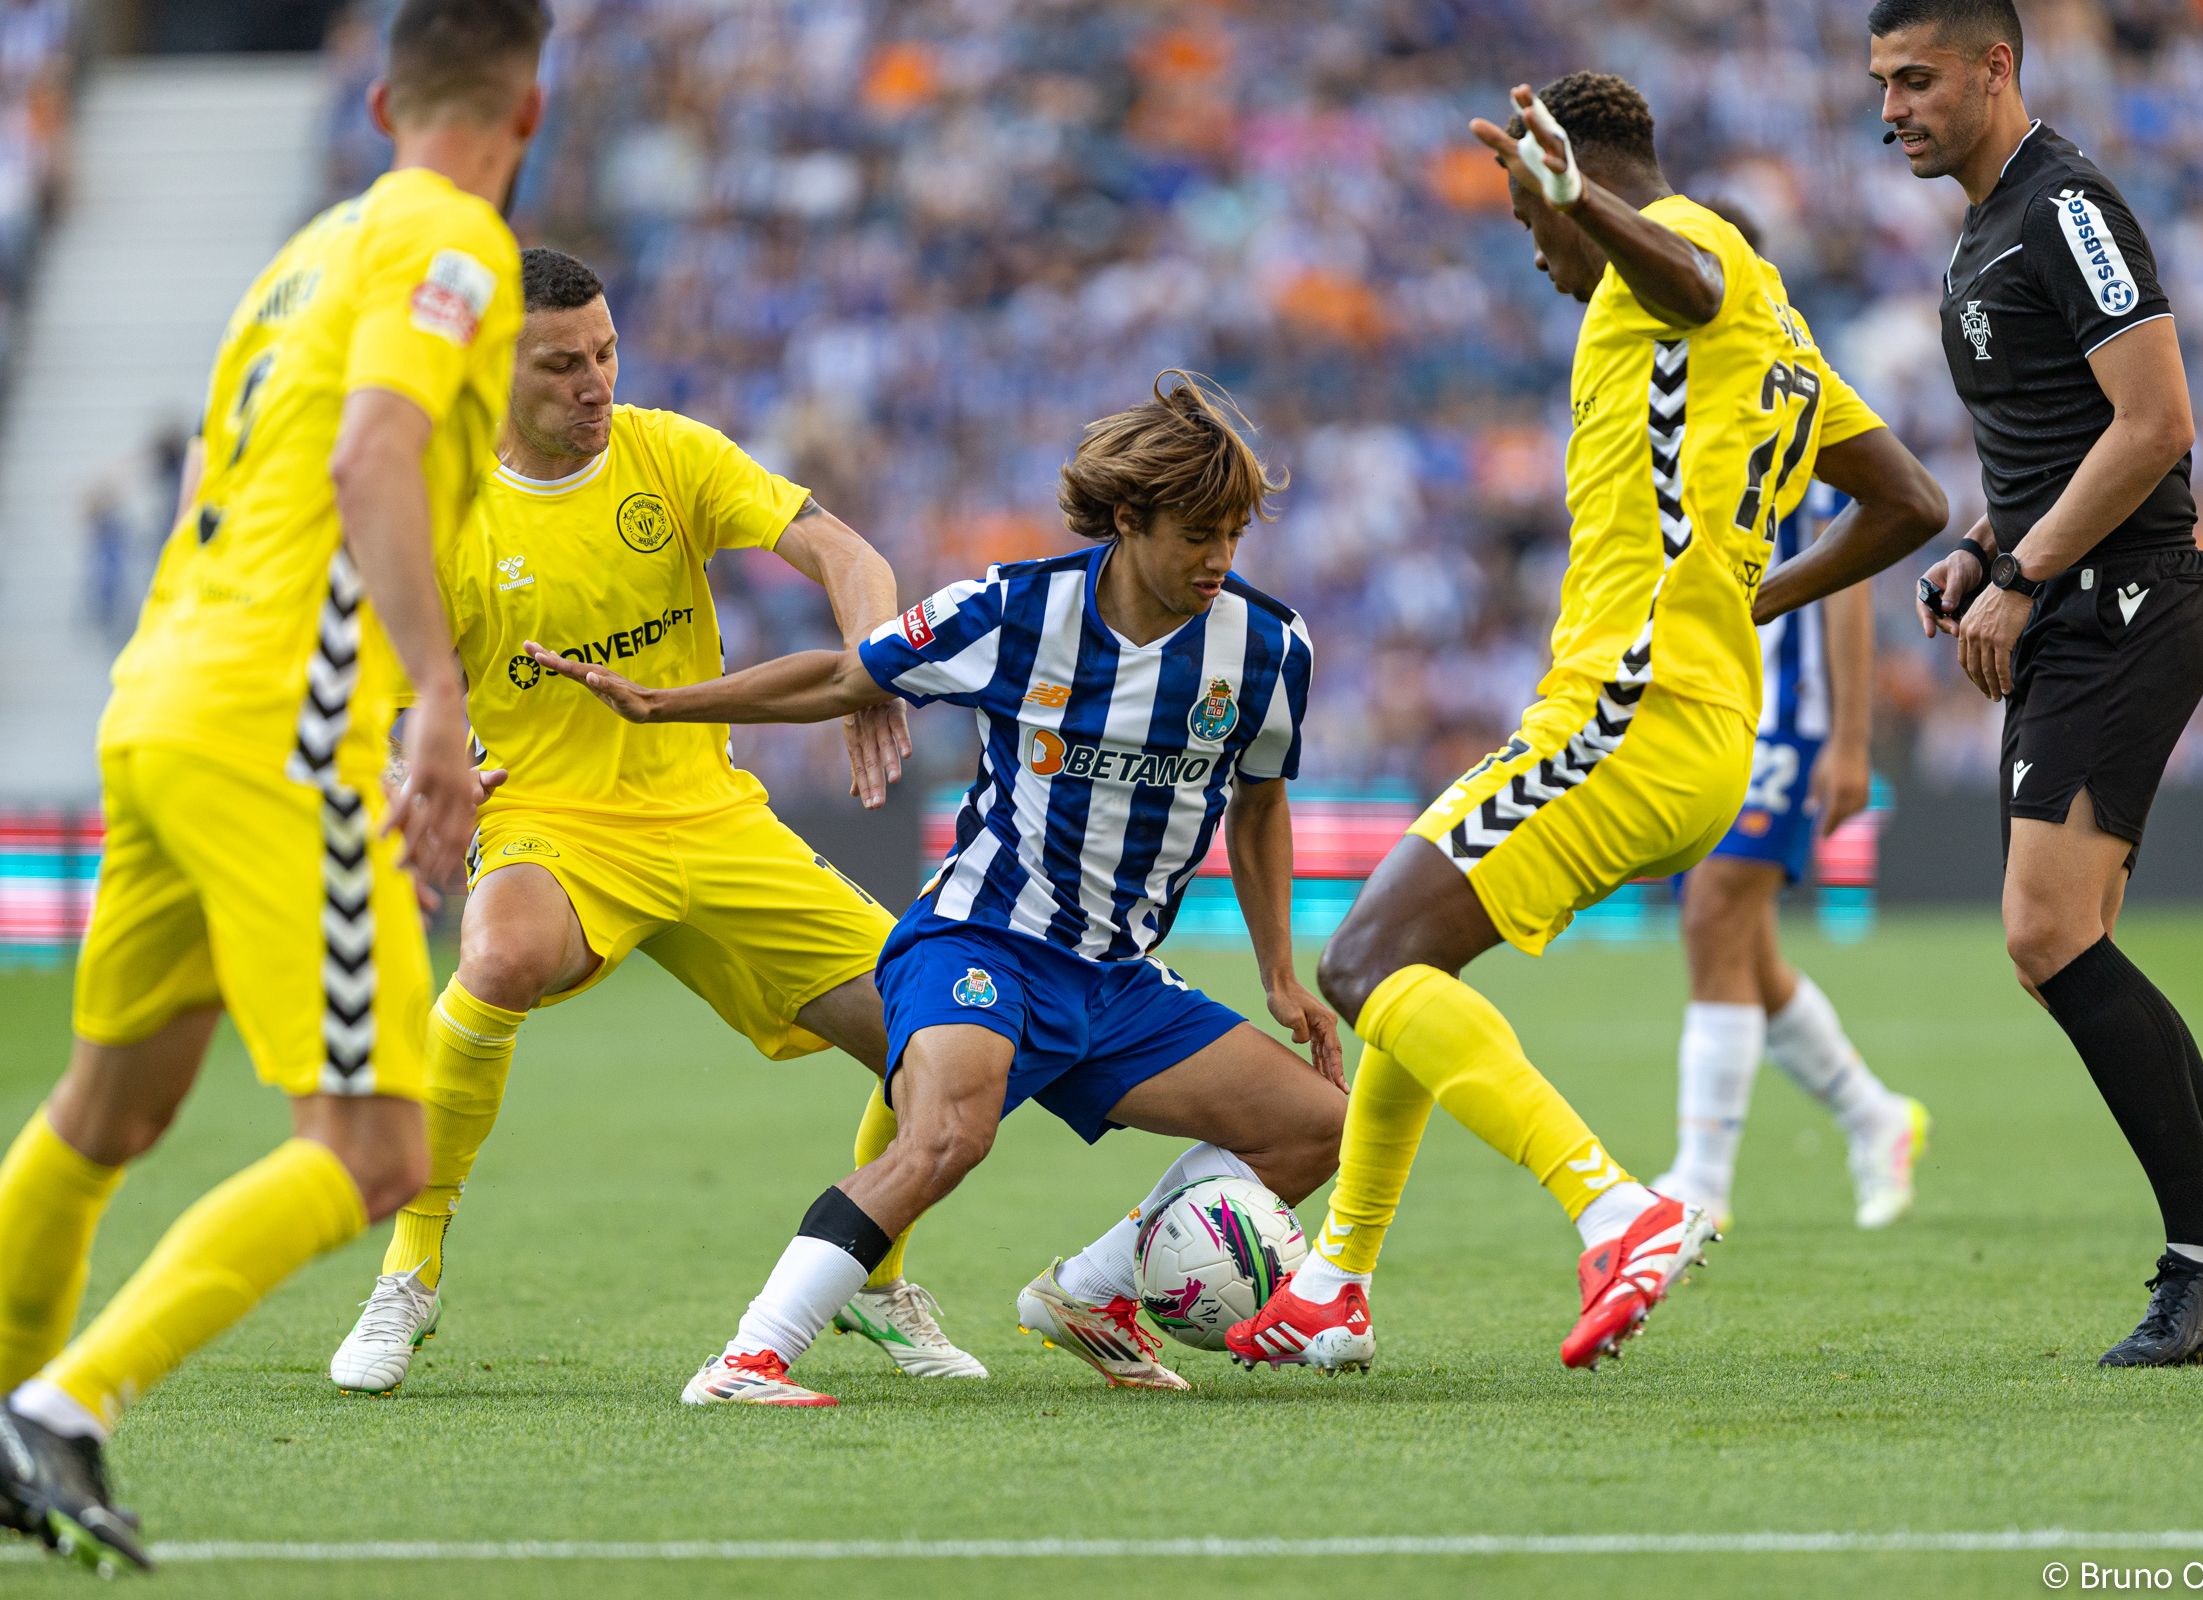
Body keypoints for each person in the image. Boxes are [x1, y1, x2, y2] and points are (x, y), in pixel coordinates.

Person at [1229, 74, 1948, 1375]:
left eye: (1531, 218)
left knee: (1361, 964)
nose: (1539, 247)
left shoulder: (1700, 258)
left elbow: (1690, 278)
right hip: (1686, 724)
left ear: (1588, 183)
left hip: (1631, 710)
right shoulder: (1781, 341)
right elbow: (1909, 501)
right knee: (1405, 961)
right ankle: (1335, 1280)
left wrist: (1591, 210)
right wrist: (1748, 593)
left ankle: (1618, 1209)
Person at [0, 0, 546, 1571]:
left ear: (380, 101)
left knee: (110, 1106)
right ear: (525, 112)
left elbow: (219, 477)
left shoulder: (307, 251)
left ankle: (9, 1413)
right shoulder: (455, 241)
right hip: (278, 731)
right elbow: (371, 457)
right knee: (374, 1149)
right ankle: (68, 1405)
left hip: (163, 696)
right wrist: (434, 695)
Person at [535, 372, 1348, 1403]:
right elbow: (844, 675)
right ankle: (749, 1358)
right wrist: (663, 705)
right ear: (1130, 519)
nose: (1219, 559)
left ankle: (1095, 1293)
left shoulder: (1270, 647)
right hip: (983, 943)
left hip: (1118, 982)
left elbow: (1261, 802)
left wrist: (1281, 975)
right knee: (948, 1136)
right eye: (1197, 533)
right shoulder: (1013, 609)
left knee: (1316, 1124)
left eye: (1234, 532)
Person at [325, 248, 982, 1400]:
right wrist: (408, 772)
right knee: (502, 955)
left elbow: (847, 551)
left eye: (608, 353)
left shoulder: (667, 451)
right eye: (564, 363)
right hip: (552, 818)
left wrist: (876, 661)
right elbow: (375, 691)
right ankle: (409, 1271)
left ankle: (874, 1277)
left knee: (934, 1038)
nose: (596, 383)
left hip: (712, 813)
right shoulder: (442, 508)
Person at [1864, 0, 2203, 1366]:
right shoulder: (1984, 225)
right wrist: (1982, 551)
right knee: (2067, 943)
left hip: (2125, 606)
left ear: (1996, 66)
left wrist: (2026, 571)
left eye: (1918, 77)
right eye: (1881, 81)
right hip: (2076, 600)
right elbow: (2055, 446)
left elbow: (2158, 421)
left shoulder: (2066, 208)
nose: (1893, 105)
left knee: (2044, 934)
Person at [1655, 479, 1929, 1232]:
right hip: (1697, 709)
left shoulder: (1788, 413)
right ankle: (1875, 1117)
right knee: (1745, 950)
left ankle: (1701, 1182)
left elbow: (1847, 579)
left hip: (1781, 711)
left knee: (1715, 915)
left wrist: (1849, 738)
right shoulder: (1668, 411)